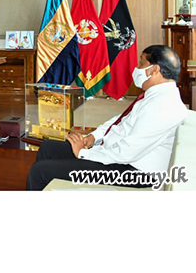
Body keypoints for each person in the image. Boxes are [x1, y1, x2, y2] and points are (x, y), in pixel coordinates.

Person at [26, 44, 187, 190]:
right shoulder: (155, 96)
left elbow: (128, 152)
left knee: (39, 172)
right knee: (48, 148)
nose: (136, 68)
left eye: (141, 63)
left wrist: (83, 153)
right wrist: (93, 137)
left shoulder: (164, 106)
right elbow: (120, 120)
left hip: (133, 171)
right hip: (115, 155)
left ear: (154, 70)